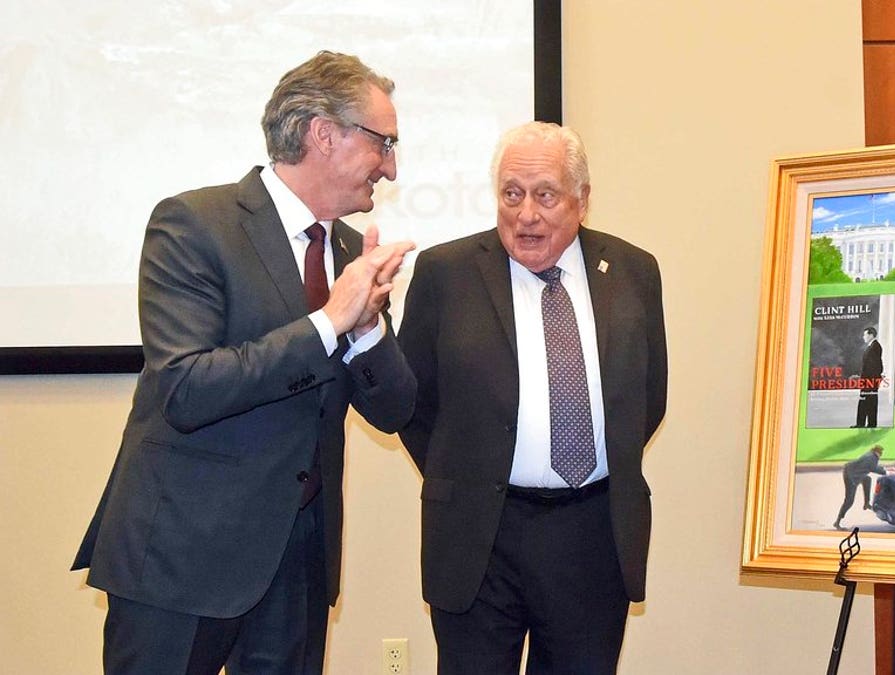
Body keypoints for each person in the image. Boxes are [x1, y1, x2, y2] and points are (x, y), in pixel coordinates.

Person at [71, 51, 418, 674]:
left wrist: (365, 331)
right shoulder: (194, 224)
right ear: (323, 133)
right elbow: (187, 388)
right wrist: (328, 322)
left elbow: (395, 410)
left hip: (300, 565)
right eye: (383, 143)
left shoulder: (344, 249)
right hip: (181, 562)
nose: (390, 167)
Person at [397, 121, 667, 674]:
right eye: (511, 194)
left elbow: (647, 397)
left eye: (545, 195)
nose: (526, 215)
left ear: (582, 199)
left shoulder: (633, 271)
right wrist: (471, 471)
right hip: (480, 535)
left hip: (589, 533)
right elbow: (414, 405)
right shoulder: (445, 273)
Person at [833, 444, 895, 530]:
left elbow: (874, 466)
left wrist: (887, 469)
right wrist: (887, 472)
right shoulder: (871, 458)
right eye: (881, 453)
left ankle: (866, 503)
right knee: (849, 501)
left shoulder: (871, 455)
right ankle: (837, 522)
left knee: (867, 479)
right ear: (877, 452)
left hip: (853, 473)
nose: (881, 455)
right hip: (851, 477)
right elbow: (874, 468)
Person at [854, 326, 884, 428]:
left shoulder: (874, 347)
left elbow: (875, 366)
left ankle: (863, 424)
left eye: (865, 335)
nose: (863, 337)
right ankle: (866, 423)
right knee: (868, 401)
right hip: (869, 380)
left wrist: (870, 380)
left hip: (870, 381)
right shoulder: (873, 346)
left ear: (871, 335)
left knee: (867, 401)